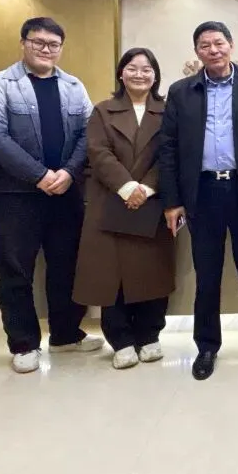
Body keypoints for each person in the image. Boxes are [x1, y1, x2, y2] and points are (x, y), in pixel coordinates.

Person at [0, 17, 101, 374]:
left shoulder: (73, 86)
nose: (46, 49)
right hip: (16, 195)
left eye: (53, 44)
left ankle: (66, 334)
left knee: (67, 266)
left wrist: (68, 172)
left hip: (65, 191)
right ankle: (24, 343)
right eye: (38, 42)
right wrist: (40, 175)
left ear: (61, 48)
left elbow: (89, 133)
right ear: (23, 43)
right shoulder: (0, 84)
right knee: (15, 271)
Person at [159, 21, 238, 380]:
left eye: (218, 43)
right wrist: (172, 201)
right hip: (202, 193)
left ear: (231, 45)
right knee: (207, 276)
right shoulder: (181, 91)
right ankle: (207, 346)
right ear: (197, 52)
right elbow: (168, 148)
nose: (213, 50)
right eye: (205, 45)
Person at [73, 48, 175, 370]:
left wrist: (147, 188)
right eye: (132, 68)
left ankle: (150, 335)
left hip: (152, 202)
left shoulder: (169, 111)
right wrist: (128, 187)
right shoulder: (103, 111)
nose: (139, 74)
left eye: (146, 69)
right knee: (112, 276)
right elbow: (98, 152)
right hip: (111, 200)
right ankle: (120, 340)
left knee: (151, 273)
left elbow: (172, 153)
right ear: (121, 73)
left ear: (155, 76)